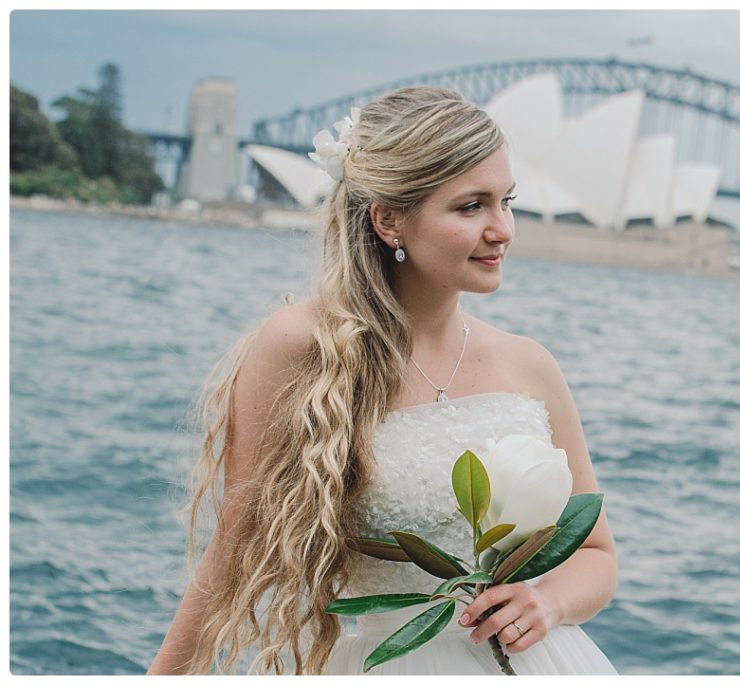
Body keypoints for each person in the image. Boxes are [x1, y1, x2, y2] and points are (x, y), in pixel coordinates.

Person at [147, 86, 617, 675]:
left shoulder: (530, 364)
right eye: (471, 206)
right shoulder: (302, 346)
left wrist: (547, 601)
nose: (503, 229)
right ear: (389, 220)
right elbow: (235, 546)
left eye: (506, 201)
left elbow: (596, 554)